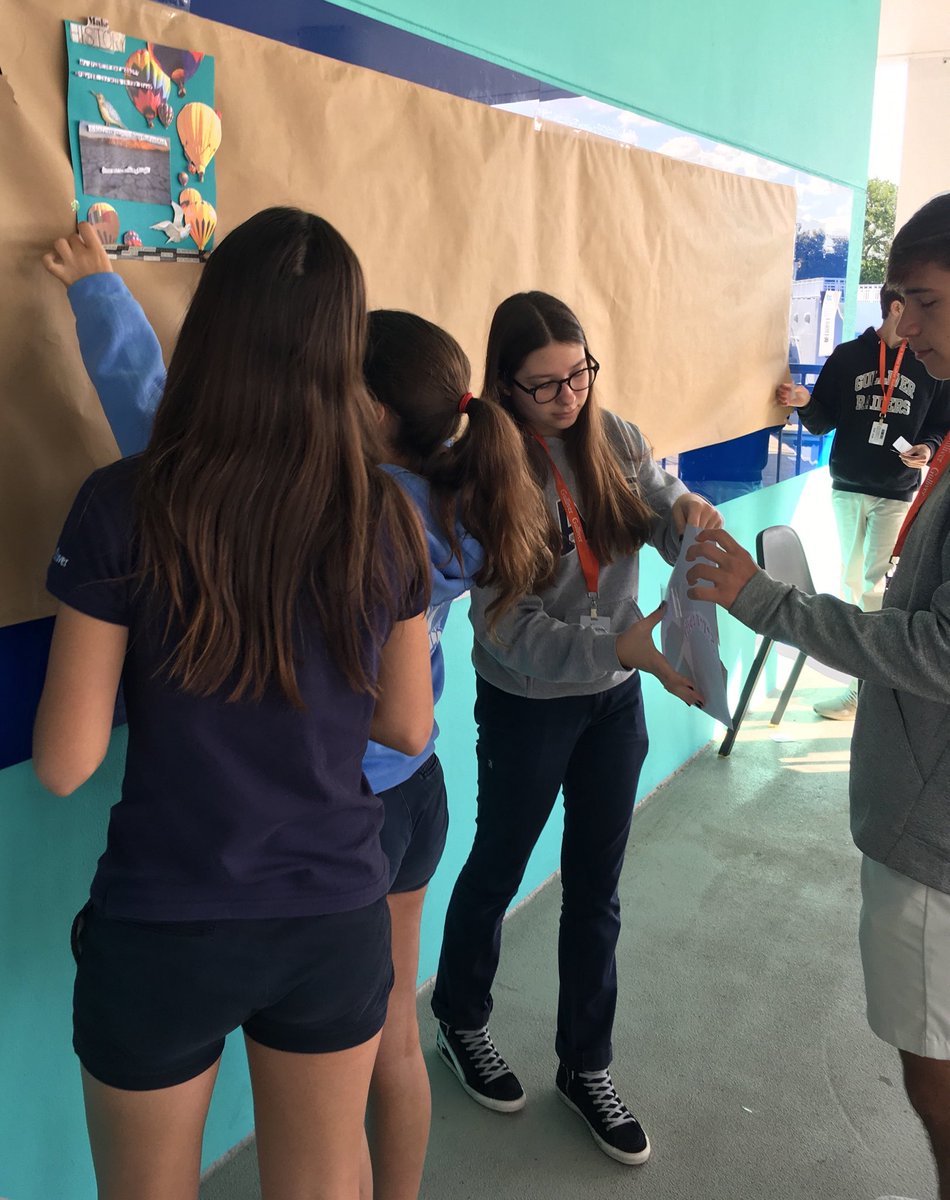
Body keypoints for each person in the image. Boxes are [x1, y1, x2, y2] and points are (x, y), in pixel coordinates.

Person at [43, 228, 556, 1200]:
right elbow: (407, 726)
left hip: (164, 917)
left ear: (210, 329)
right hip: (331, 905)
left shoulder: (125, 503)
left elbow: (66, 761)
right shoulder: (382, 519)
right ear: (339, 358)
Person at [686, 193, 950, 1200]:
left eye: (922, 304)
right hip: (919, 805)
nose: (904, 330)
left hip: (930, 829)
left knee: (930, 1076)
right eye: (897, 305)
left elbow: (932, 650)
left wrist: (765, 604)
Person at [431, 291, 721, 1167]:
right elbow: (504, 626)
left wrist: (687, 518)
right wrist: (616, 640)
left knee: (597, 884)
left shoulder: (616, 437)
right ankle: (460, 1019)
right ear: (505, 388)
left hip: (612, 700)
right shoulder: (484, 472)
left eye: (581, 373)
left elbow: (659, 503)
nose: (570, 396)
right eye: (546, 384)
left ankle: (585, 1066)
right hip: (527, 703)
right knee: (499, 865)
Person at [776, 284, 950, 720]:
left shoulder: (928, 361)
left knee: (876, 587)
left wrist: (927, 450)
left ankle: (867, 692)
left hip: (897, 489)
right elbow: (823, 421)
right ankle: (863, 688)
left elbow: (939, 423)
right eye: (916, 307)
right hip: (849, 486)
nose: (919, 324)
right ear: (896, 307)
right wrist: (804, 403)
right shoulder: (848, 356)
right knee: (853, 582)